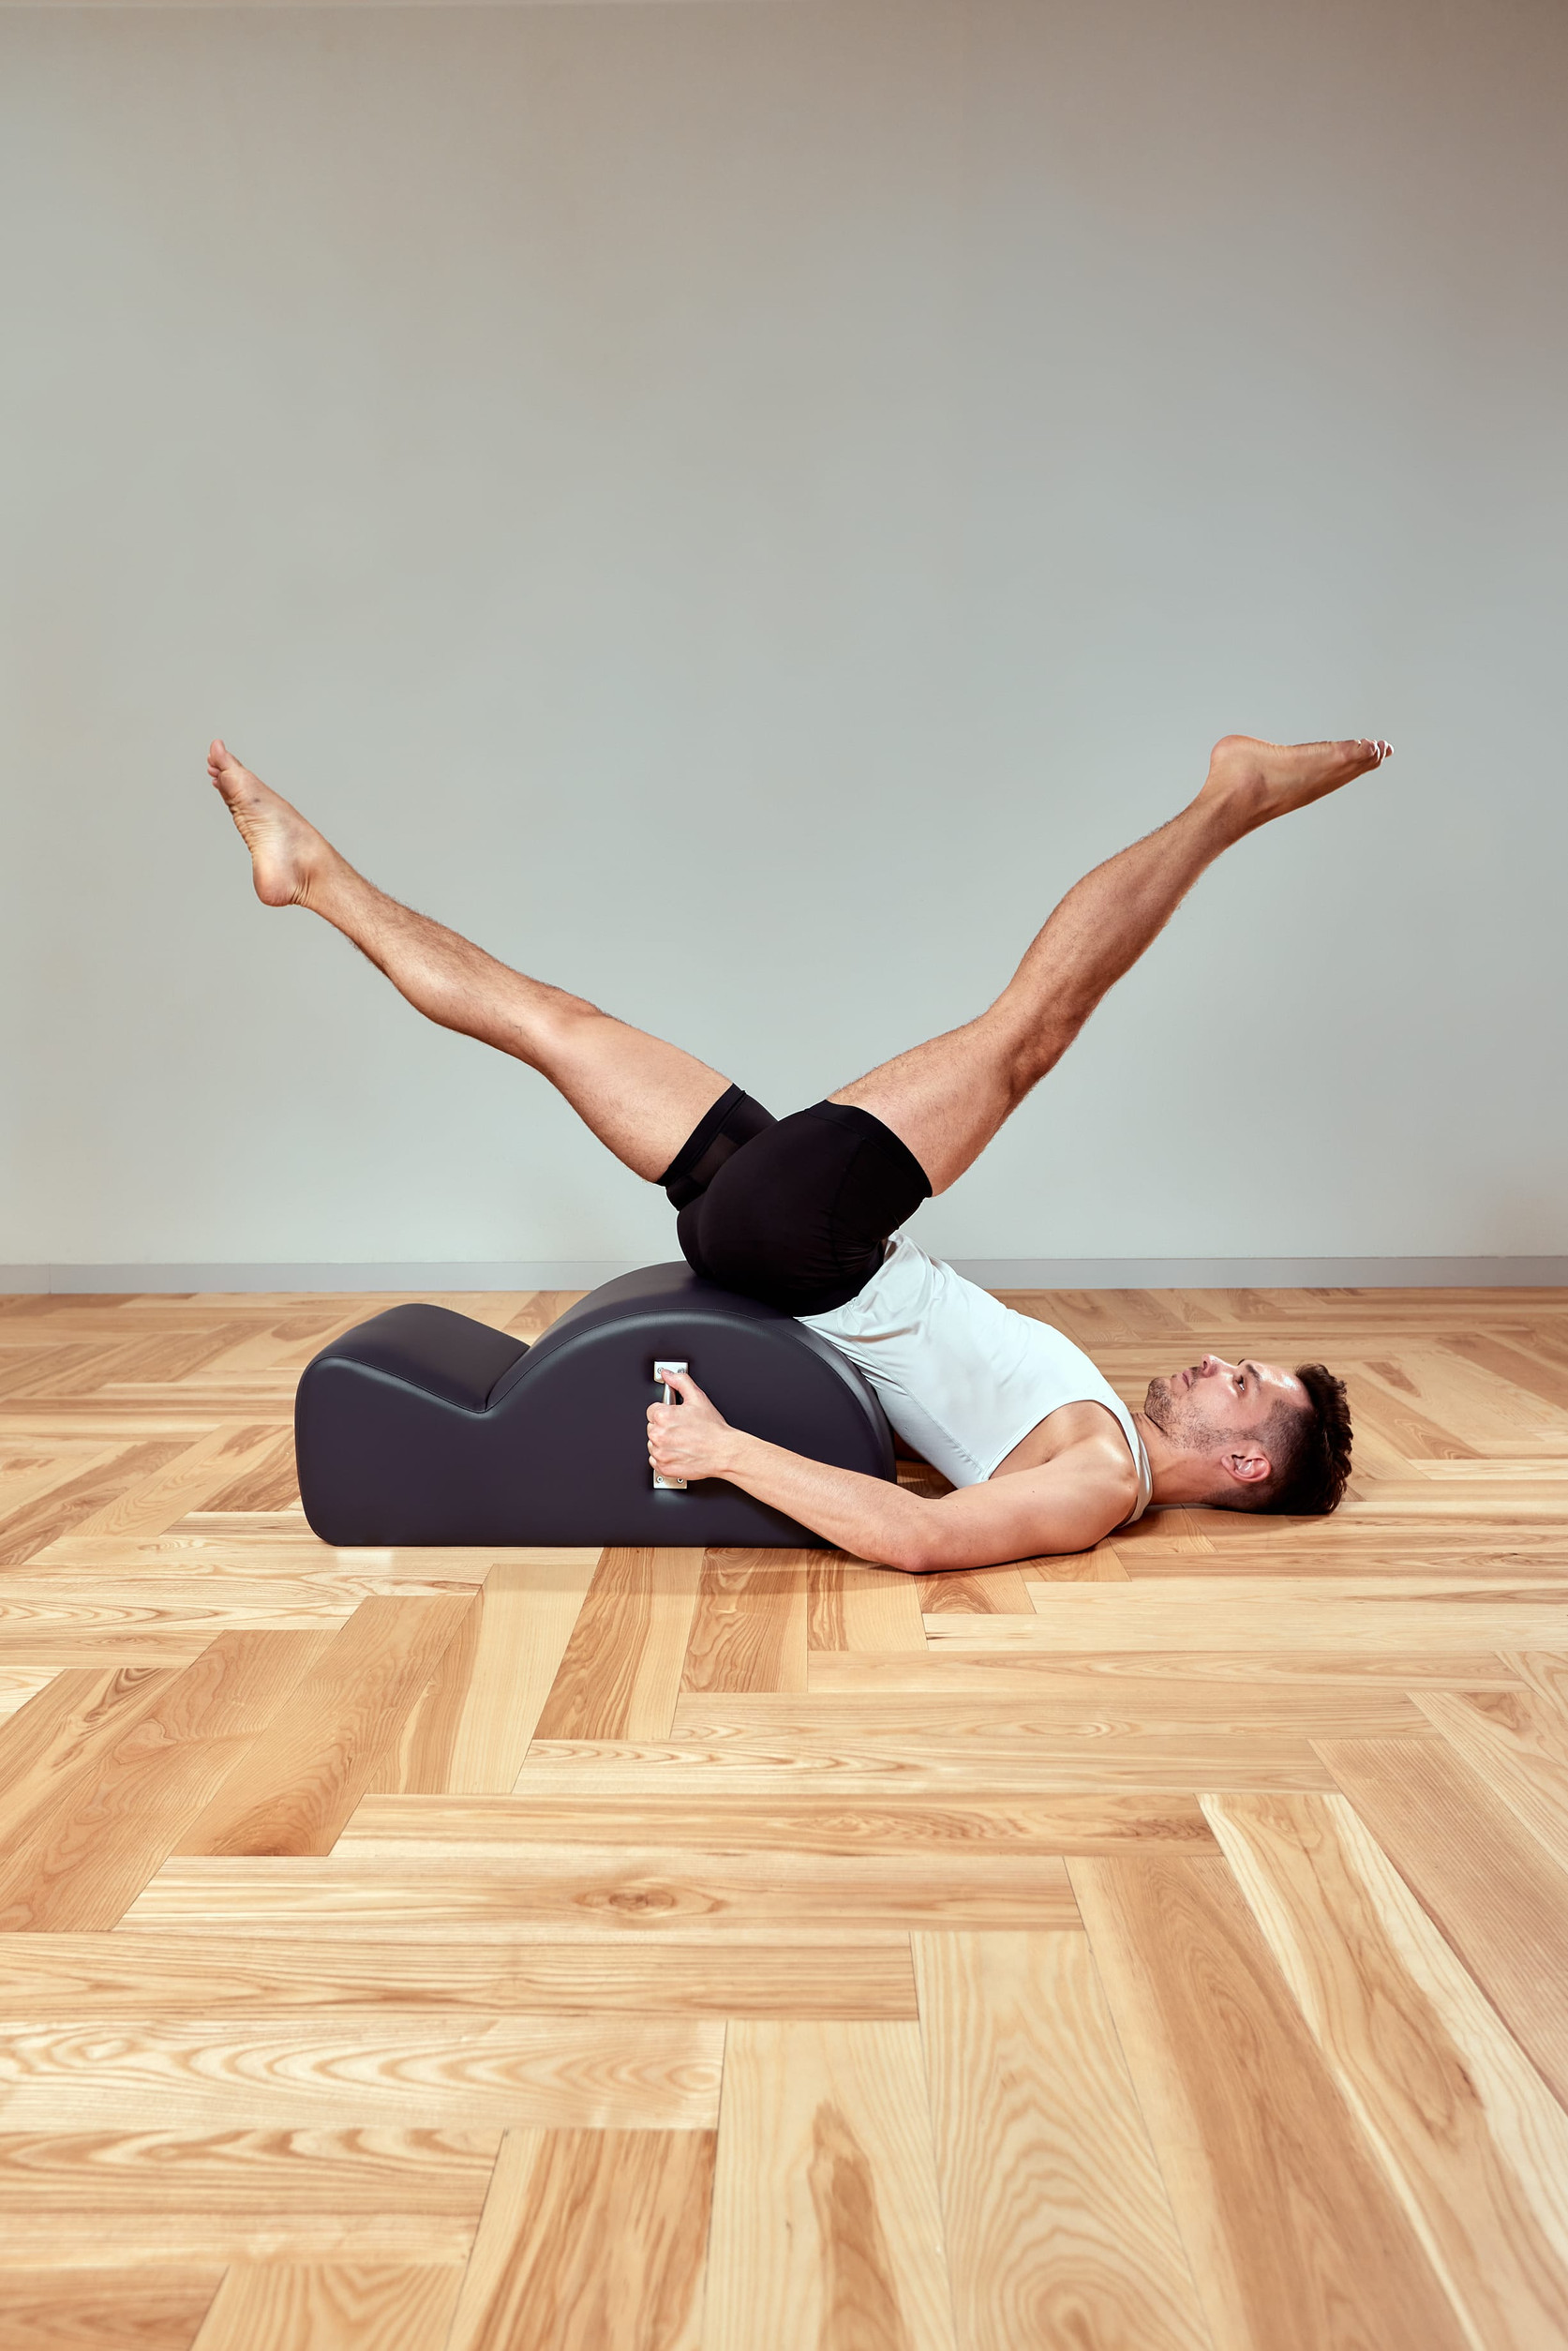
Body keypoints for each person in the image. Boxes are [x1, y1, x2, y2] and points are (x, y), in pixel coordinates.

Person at [208, 728, 1381, 1572]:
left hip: (813, 1249)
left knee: (1027, 1032)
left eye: (1240, 1386)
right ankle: (313, 878)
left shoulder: (1098, 1484)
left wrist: (725, 1450)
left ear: (1242, 1468)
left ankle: (1228, 798)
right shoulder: (1104, 1443)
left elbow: (919, 1540)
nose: (1212, 1368)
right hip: (790, 1243)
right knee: (551, 1018)